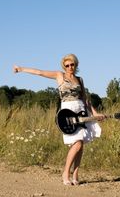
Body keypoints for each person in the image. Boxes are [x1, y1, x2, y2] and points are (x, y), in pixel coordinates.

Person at [13, 53, 106, 186]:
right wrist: (21, 69)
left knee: (80, 144)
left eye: (72, 64)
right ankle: (65, 173)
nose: (70, 67)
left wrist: (95, 113)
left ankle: (75, 175)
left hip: (81, 109)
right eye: (67, 65)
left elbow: (85, 99)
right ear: (64, 66)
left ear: (76, 64)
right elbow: (39, 72)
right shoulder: (59, 75)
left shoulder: (80, 79)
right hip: (67, 111)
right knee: (77, 142)